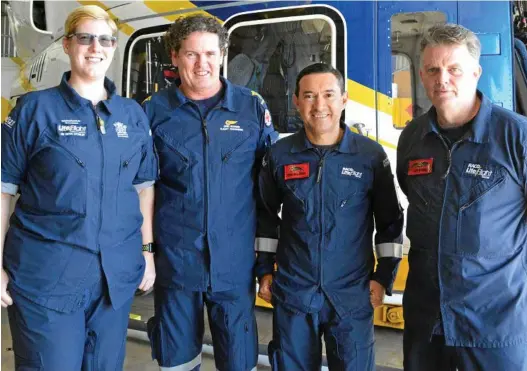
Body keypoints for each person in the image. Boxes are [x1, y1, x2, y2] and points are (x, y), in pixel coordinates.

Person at [396, 23, 527, 371]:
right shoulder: (413, 138)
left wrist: (520, 262)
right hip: (428, 317)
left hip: (496, 319)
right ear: (421, 74)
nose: (443, 79)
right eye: (433, 70)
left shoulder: (518, 136)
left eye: (454, 69)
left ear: (475, 72)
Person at [0, 5, 158, 370]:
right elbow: (4, 190)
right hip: (46, 279)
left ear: (114, 47)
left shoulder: (132, 115)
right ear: (68, 45)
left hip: (113, 283)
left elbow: (143, 188)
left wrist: (147, 252)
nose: (95, 47)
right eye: (85, 38)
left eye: (104, 39)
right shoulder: (34, 111)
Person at [142, 15, 278, 371]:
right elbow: (139, 190)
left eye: (209, 53)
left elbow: (269, 194)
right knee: (177, 363)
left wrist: (266, 262)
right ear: (175, 57)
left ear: (222, 55)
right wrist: (144, 255)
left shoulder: (252, 108)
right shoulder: (152, 112)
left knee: (238, 363)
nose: (202, 64)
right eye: (191, 54)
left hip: (234, 267)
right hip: (175, 266)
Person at [256, 63, 404, 370]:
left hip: (352, 296)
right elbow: (265, 217)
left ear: (344, 99)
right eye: (309, 96)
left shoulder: (370, 157)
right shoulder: (279, 156)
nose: (319, 105)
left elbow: (390, 222)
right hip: (294, 293)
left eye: (328, 95)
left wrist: (383, 276)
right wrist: (264, 271)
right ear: (296, 101)